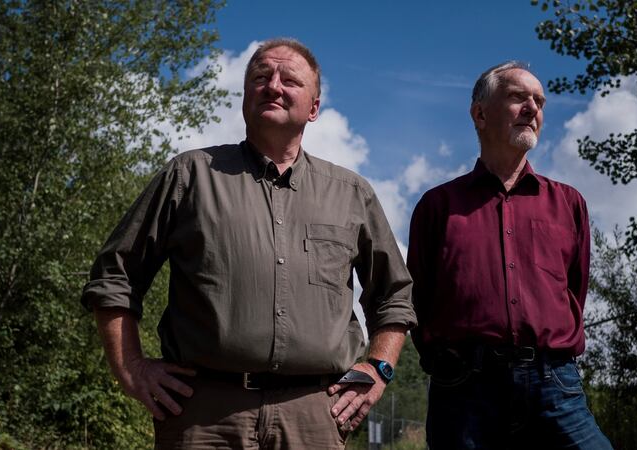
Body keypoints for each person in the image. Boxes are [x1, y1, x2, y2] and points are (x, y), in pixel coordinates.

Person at [81, 38, 416, 450]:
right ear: (245, 98)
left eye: (289, 80)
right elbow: (116, 274)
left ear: (313, 107)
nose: (273, 86)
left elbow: (394, 295)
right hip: (202, 415)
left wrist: (380, 368)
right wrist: (131, 366)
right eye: (260, 77)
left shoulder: (351, 193)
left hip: (315, 413)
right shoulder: (190, 176)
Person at [407, 61, 612, 449]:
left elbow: (575, 289)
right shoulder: (438, 206)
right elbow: (417, 298)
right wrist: (447, 362)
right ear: (480, 114)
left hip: (555, 385)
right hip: (464, 390)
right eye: (518, 97)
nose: (533, 108)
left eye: (539, 101)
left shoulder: (569, 203)